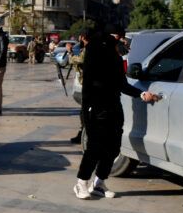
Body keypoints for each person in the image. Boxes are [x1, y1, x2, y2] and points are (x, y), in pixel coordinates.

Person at [74, 26, 161, 199]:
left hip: (113, 106)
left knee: (113, 147)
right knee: (95, 146)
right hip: (96, 106)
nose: (123, 43)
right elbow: (93, 78)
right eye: (120, 39)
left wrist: (141, 94)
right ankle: (81, 182)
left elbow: (121, 83)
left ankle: (98, 183)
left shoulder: (114, 56)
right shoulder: (96, 48)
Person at [69, 31, 90, 144]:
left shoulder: (89, 48)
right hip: (89, 85)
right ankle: (83, 133)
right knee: (84, 112)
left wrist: (70, 55)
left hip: (90, 85)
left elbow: (80, 59)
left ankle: (84, 134)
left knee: (85, 113)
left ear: (83, 37)